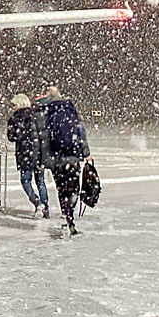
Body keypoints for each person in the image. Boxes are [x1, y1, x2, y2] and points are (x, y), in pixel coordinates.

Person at [42, 84, 92, 236]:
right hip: (72, 157)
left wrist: (44, 161)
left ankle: (65, 214)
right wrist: (86, 153)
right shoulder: (71, 113)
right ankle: (70, 215)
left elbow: (45, 139)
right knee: (73, 188)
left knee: (61, 189)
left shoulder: (49, 115)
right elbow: (81, 133)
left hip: (57, 159)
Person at [6, 93, 50, 217]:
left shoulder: (14, 118)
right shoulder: (37, 116)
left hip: (24, 153)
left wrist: (20, 136)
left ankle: (37, 202)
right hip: (38, 153)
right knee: (40, 181)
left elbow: (11, 137)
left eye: (14, 105)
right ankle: (45, 208)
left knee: (26, 181)